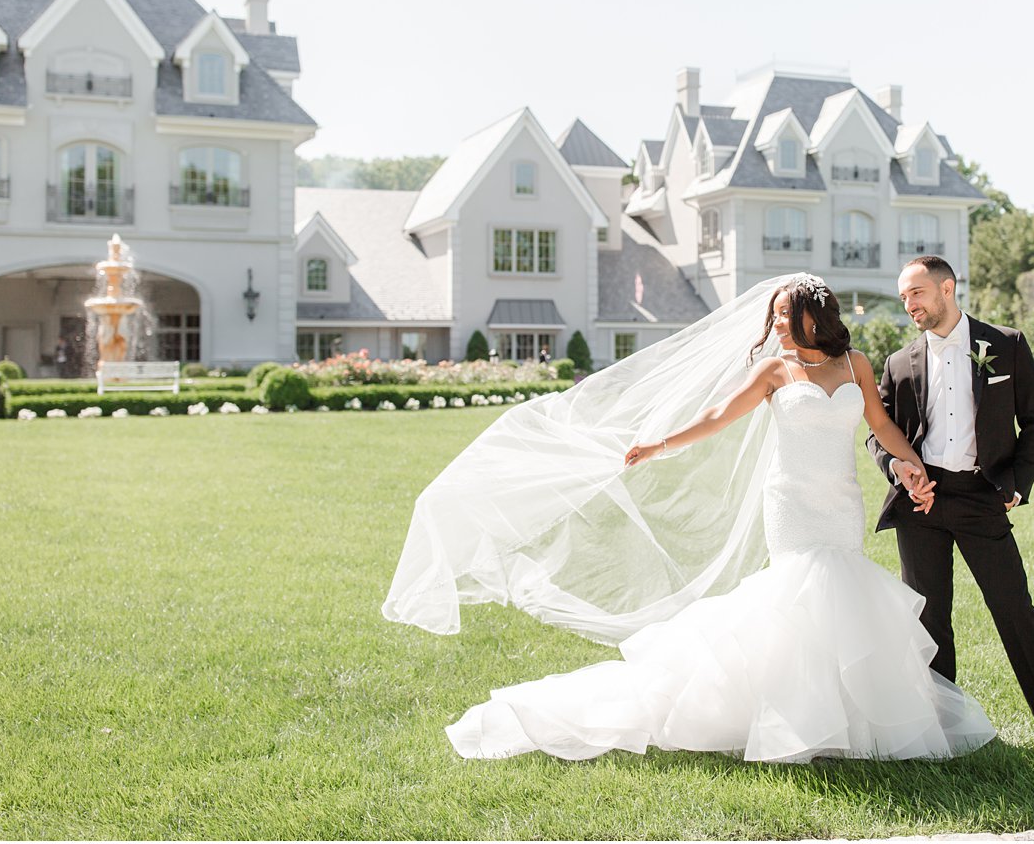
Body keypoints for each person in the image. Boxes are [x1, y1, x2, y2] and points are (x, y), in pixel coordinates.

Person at [389, 273, 995, 764]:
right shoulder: (774, 371)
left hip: (840, 500)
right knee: (800, 595)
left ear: (816, 316)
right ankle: (794, 720)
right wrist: (658, 444)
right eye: (774, 318)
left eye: (785, 317)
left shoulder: (854, 364)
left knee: (840, 597)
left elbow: (881, 424)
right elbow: (715, 416)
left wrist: (910, 464)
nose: (777, 327)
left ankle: (843, 719)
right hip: (790, 502)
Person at [867, 256, 1034, 769]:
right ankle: (940, 732)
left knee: (1016, 612)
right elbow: (879, 434)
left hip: (982, 498)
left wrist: (1017, 484)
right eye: (903, 298)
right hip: (923, 500)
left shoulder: (1005, 345)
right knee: (930, 621)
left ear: (947, 288)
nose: (909, 305)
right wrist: (900, 470)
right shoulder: (898, 362)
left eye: (916, 293)